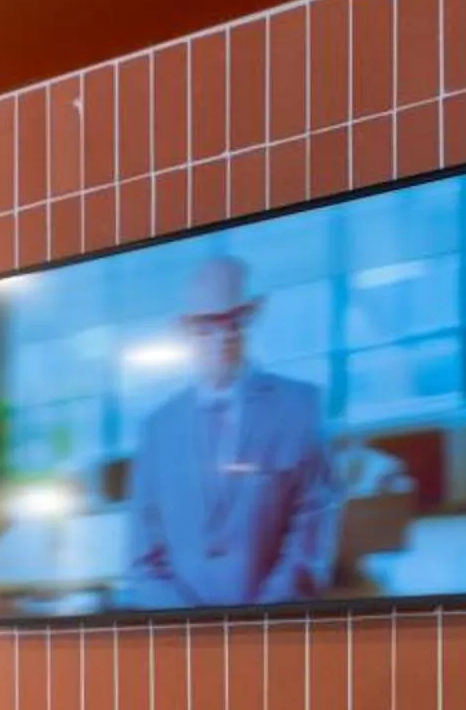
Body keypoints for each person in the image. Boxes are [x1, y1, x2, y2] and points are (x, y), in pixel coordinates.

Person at [124, 253, 340, 609]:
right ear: (187, 330)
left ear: (251, 317)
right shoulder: (157, 430)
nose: (223, 336)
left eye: (235, 321)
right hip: (184, 643)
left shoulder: (300, 406)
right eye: (209, 324)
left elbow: (312, 531)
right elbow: (142, 560)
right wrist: (192, 629)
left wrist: (260, 621)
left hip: (276, 630)